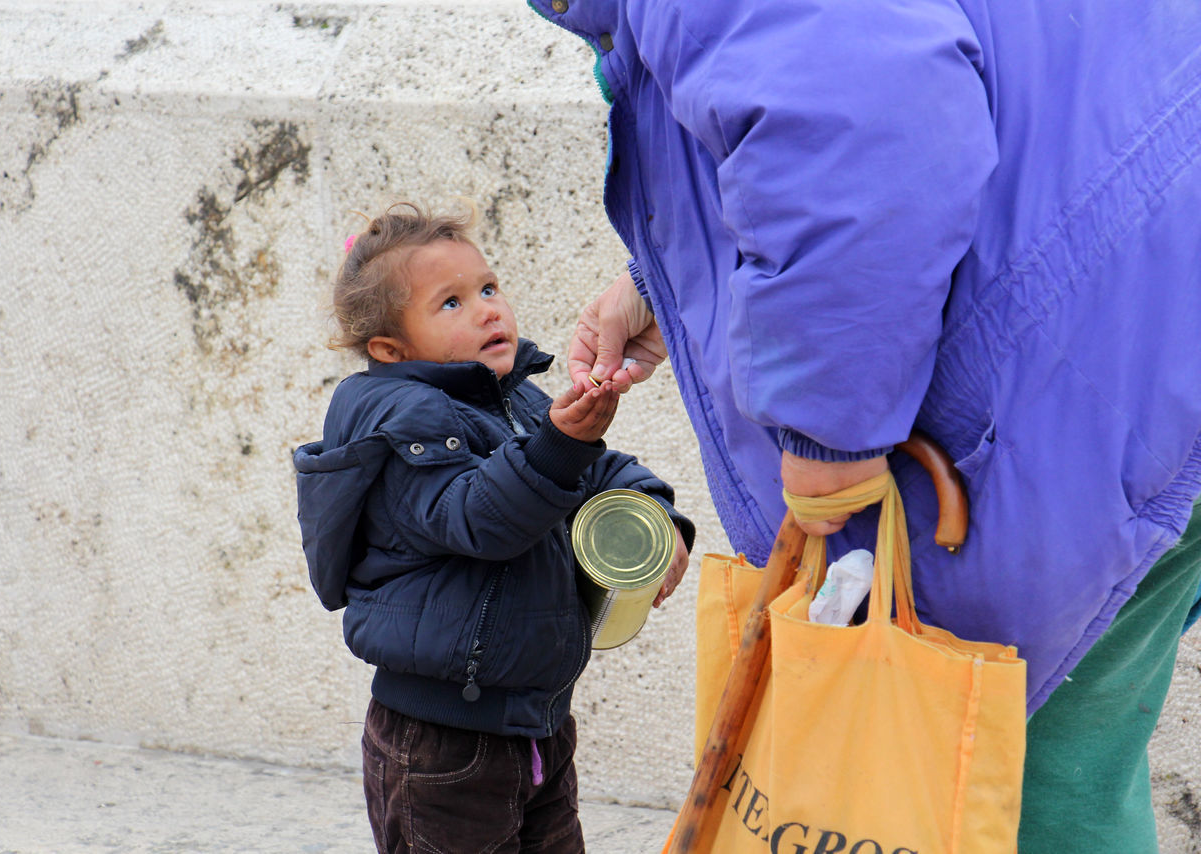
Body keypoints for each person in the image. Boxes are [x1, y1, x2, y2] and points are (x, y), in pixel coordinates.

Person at [528, 1, 1201, 850]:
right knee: (1066, 749)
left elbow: (865, 130)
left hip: (1069, 360)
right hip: (1145, 322)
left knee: (987, 755)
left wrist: (826, 429)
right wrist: (656, 277)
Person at [292, 201, 694, 854]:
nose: (486, 308)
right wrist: (560, 448)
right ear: (391, 349)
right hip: (441, 744)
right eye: (450, 303)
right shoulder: (402, 426)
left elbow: (601, 471)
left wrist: (655, 514)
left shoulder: (517, 400)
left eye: (487, 287)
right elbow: (479, 518)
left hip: (538, 725)